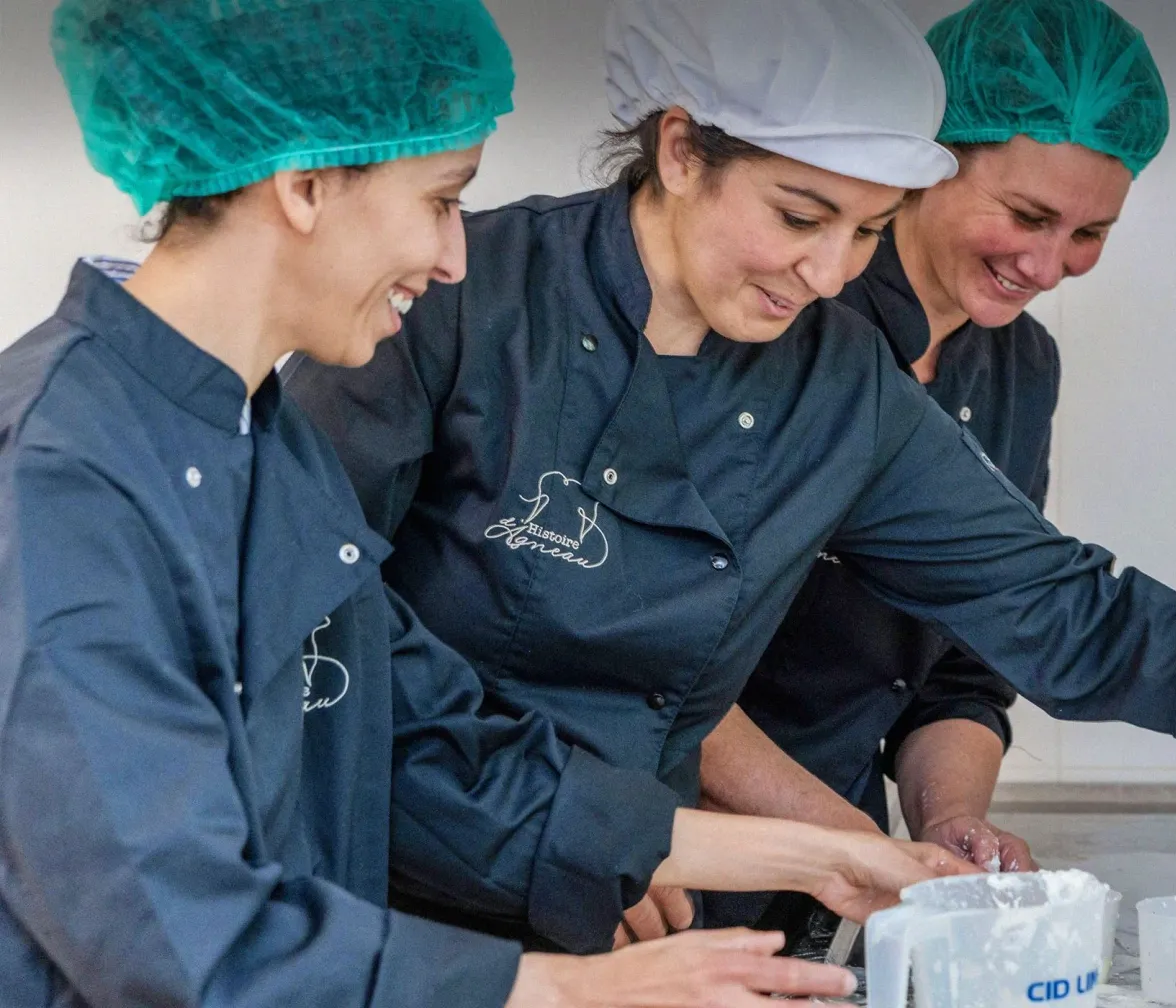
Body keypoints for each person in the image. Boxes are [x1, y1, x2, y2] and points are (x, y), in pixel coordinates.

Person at [284, 0, 1176, 948]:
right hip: (389, 887)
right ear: (681, 150)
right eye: (799, 218)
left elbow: (1069, 611)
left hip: (645, 888)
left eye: (860, 233)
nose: (828, 277)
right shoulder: (454, 297)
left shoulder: (837, 384)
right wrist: (573, 835)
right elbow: (315, 627)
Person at [0, 2, 962, 1005]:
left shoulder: (265, 442)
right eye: (441, 199)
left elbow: (429, 743)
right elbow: (172, 933)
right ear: (307, 184)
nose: (455, 258)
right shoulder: (65, 466)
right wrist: (565, 991)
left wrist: (812, 860)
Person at [702, 0, 1176, 889]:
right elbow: (636, 657)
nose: (1047, 267)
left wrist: (949, 819)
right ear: (924, 163)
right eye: (1028, 214)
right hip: (660, 849)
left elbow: (967, 658)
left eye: (1089, 234)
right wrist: (840, 841)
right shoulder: (779, 319)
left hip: (843, 869)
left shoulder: (1019, 366)